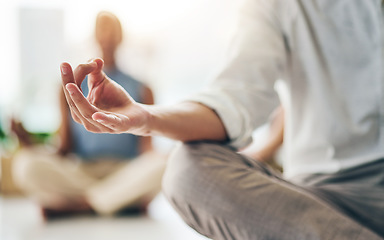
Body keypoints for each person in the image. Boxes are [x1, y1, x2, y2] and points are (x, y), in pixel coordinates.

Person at [59, 0, 384, 239]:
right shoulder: (276, 5)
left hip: (130, 172)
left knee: (159, 165)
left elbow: (146, 154)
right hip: (319, 202)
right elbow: (233, 99)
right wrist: (144, 116)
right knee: (186, 172)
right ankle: (98, 199)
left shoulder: (140, 83)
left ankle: (92, 201)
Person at [13, 11, 166, 218]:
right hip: (83, 171)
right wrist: (29, 143)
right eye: (102, 29)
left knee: (165, 164)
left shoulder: (142, 88)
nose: (107, 36)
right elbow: (64, 149)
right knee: (26, 164)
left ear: (121, 37)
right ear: (94, 36)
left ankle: (80, 206)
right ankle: (115, 202)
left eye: (112, 30)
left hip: (125, 169)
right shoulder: (70, 87)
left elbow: (147, 149)